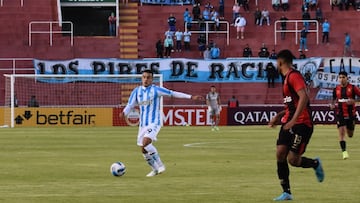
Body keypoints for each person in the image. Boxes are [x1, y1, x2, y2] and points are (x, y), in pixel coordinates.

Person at [122, 69, 203, 177]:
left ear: (152, 79)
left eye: (148, 77)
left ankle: (160, 165)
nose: (146, 79)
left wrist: (191, 97)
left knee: (146, 142)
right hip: (143, 124)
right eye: (144, 77)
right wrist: (124, 112)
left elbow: (172, 93)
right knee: (143, 149)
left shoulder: (156, 90)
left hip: (154, 122)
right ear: (142, 78)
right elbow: (130, 105)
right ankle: (154, 169)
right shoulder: (137, 91)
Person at [269, 49, 324, 201]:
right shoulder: (286, 78)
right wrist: (279, 116)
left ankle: (315, 163)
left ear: (281, 62)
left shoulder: (294, 76)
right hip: (288, 121)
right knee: (280, 153)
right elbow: (291, 105)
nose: (277, 66)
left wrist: (293, 120)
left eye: (277, 63)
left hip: (301, 123)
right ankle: (286, 192)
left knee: (293, 160)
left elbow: (304, 97)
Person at [330, 71, 360, 159]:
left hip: (351, 115)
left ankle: (349, 127)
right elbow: (333, 99)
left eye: (343, 77)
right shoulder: (336, 89)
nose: (341, 79)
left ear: (347, 78)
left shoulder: (353, 88)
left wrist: (354, 101)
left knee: (350, 134)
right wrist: (332, 105)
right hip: (340, 114)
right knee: (342, 133)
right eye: (340, 77)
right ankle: (344, 152)